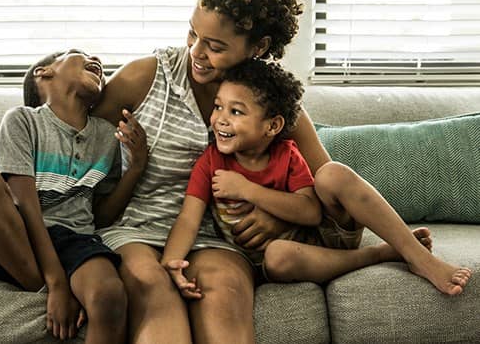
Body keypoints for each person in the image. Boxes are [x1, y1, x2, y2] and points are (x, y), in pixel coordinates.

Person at [91, 0, 471, 343]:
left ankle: (416, 258)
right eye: (193, 34)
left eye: (216, 46)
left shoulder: (270, 101)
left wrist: (275, 215)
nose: (197, 52)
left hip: (222, 239)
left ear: (258, 46)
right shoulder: (145, 77)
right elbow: (76, 146)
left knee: (223, 292)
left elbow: (326, 191)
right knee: (153, 287)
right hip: (141, 227)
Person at [162, 59, 449, 301]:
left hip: (325, 234)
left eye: (236, 111)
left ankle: (418, 257)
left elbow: (311, 212)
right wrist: (172, 261)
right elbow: (188, 219)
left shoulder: (286, 154)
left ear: (272, 126)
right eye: (218, 107)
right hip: (288, 257)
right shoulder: (210, 162)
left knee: (333, 173)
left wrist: (248, 190)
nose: (220, 119)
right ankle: (378, 254)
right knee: (277, 256)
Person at [0, 49, 148, 344]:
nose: (96, 58)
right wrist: (57, 283)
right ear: (44, 73)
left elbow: (102, 216)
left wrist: (135, 168)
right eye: (79, 54)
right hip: (18, 234)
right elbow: (26, 205)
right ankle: (44, 285)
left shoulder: (107, 136)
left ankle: (59, 286)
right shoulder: (22, 120)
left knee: (109, 296)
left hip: (75, 239)